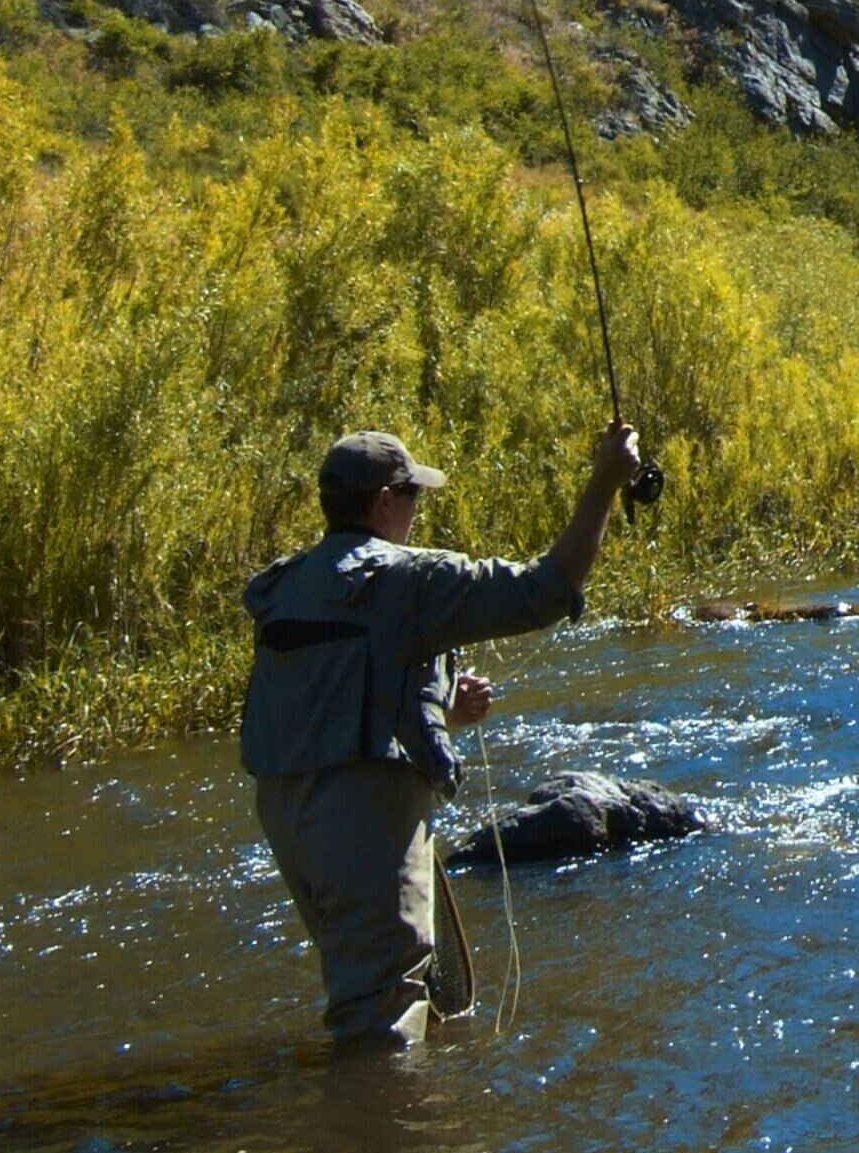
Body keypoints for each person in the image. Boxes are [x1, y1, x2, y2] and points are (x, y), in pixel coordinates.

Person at [241, 422, 641, 1051]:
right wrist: (604, 484)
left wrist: (437, 713)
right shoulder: (409, 579)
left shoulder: (288, 582)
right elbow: (547, 589)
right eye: (413, 497)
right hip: (364, 814)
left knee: (372, 985)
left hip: (286, 813)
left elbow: (326, 694)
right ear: (385, 501)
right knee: (381, 1017)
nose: (416, 513)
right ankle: (386, 1140)